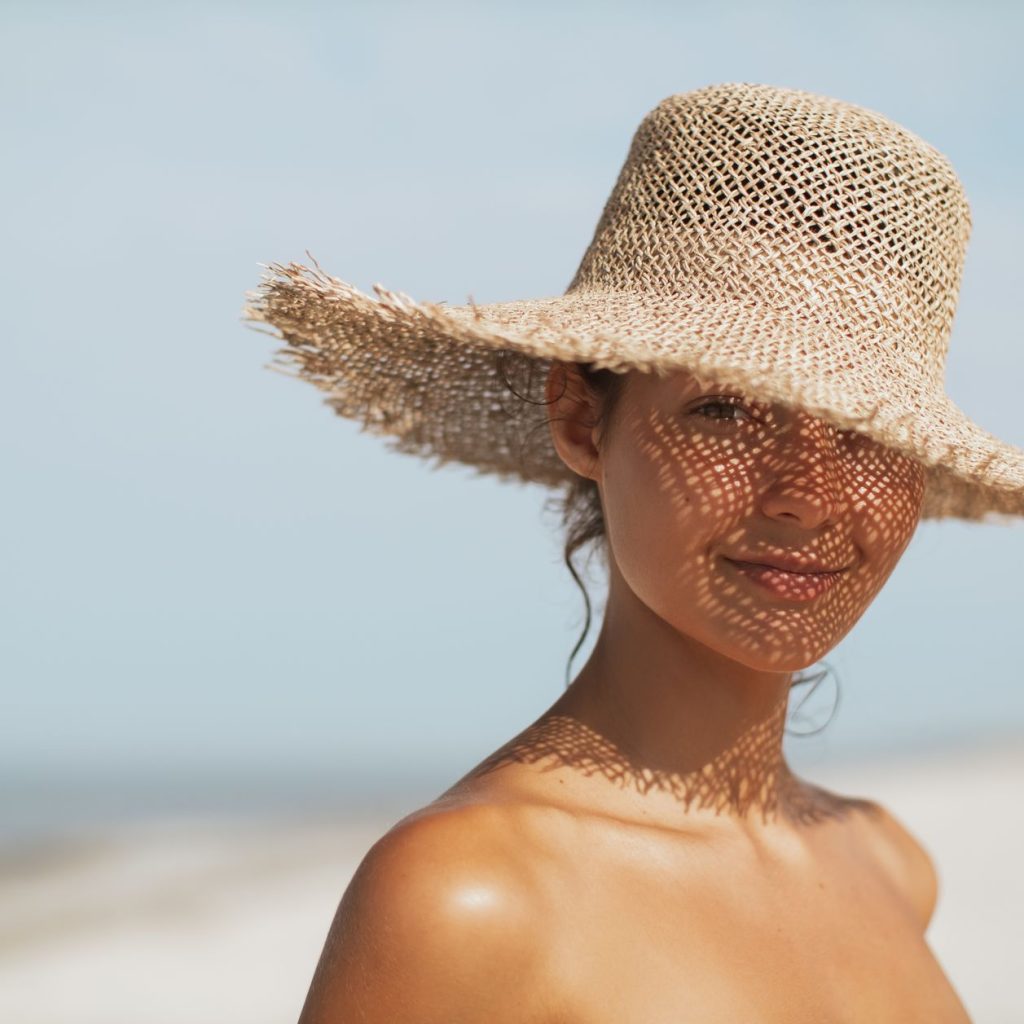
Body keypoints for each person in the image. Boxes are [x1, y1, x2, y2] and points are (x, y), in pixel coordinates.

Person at [243, 82, 1023, 1021]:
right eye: (726, 410)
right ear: (579, 417)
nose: (806, 498)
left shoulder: (889, 861)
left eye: (866, 433)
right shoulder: (468, 897)